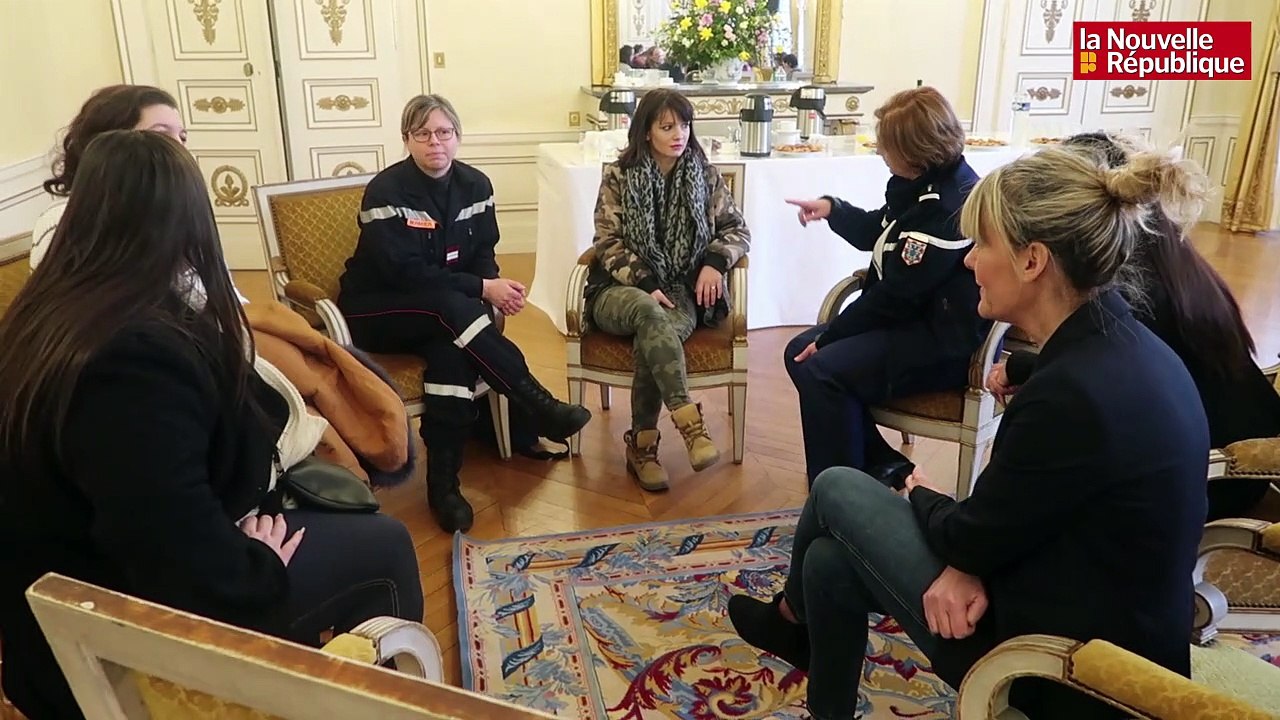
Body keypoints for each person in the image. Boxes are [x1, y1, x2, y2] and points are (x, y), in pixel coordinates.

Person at [729, 144, 1212, 720]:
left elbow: (966, 539)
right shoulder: (1129, 350)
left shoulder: (1068, 397)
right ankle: (816, 683)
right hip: (1117, 625)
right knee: (829, 561)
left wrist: (918, 491)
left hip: (1062, 664)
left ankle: (791, 622)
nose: (968, 262)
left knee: (836, 488)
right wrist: (1027, 372)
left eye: (983, 244)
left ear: (1033, 260)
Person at [0, 131, 424, 720]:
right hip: (115, 644)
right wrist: (257, 563)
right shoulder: (131, 358)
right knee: (384, 544)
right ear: (187, 224)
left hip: (56, 615)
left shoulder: (42, 318)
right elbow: (167, 549)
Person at [989, 132, 1280, 520]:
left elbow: (1104, 373)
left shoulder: (1124, 288)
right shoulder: (1172, 258)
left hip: (1215, 473)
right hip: (1231, 443)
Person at [337, 94, 590, 532]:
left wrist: (487, 285)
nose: (435, 142)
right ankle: (538, 404)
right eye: (423, 134)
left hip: (441, 314)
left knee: (450, 352)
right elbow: (404, 272)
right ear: (407, 140)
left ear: (457, 137)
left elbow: (482, 254)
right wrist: (481, 290)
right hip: (377, 309)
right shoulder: (386, 191)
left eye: (443, 132)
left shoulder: (477, 186)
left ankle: (443, 487)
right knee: (450, 306)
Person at [782, 86, 988, 488]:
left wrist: (831, 338)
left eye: (885, 145)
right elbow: (881, 229)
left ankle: (838, 492)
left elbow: (895, 297)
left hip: (939, 341)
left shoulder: (946, 205)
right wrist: (833, 210)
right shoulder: (926, 183)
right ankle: (880, 466)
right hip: (910, 323)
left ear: (916, 150)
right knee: (799, 353)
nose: (878, 151)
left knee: (821, 367)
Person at [585, 89, 750, 492]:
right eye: (667, 126)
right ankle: (689, 422)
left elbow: (737, 230)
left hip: (681, 291)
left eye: (684, 124)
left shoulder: (703, 174)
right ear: (645, 132)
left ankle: (642, 446)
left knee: (653, 334)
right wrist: (646, 282)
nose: (679, 133)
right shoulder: (619, 175)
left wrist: (714, 264)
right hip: (618, 289)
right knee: (647, 311)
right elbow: (607, 242)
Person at [31, 83, 248, 303]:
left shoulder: (165, 207)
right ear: (111, 145)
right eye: (161, 135)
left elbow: (227, 301)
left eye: (182, 137)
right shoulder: (65, 220)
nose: (179, 147)